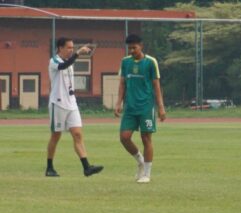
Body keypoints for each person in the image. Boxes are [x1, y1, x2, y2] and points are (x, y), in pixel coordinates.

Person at [45, 37, 104, 177]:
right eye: (69, 47)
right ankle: (49, 167)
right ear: (60, 48)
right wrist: (78, 53)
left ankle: (86, 167)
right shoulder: (54, 61)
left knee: (77, 134)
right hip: (57, 103)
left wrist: (76, 55)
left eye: (73, 47)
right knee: (56, 135)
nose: (71, 50)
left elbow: (68, 66)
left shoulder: (70, 62)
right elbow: (62, 67)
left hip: (71, 103)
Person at [114, 34, 166, 183]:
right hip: (130, 107)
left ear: (141, 46)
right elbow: (122, 84)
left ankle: (147, 174)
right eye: (129, 48)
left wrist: (161, 107)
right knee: (124, 138)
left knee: (146, 138)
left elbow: (156, 86)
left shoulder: (151, 62)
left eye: (134, 47)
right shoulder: (125, 62)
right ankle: (140, 161)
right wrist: (118, 103)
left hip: (146, 107)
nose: (131, 50)